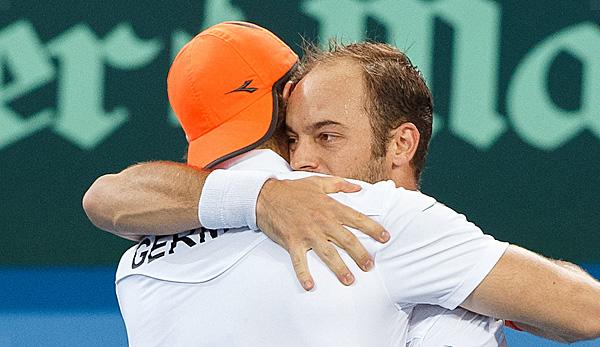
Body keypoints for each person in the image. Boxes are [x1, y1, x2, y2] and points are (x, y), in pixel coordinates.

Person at [82, 22, 600, 345]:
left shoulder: (138, 258)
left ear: (401, 143)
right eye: (295, 135)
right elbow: (586, 311)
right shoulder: (370, 215)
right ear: (283, 97)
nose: (304, 161)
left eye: (326, 136)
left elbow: (106, 196)